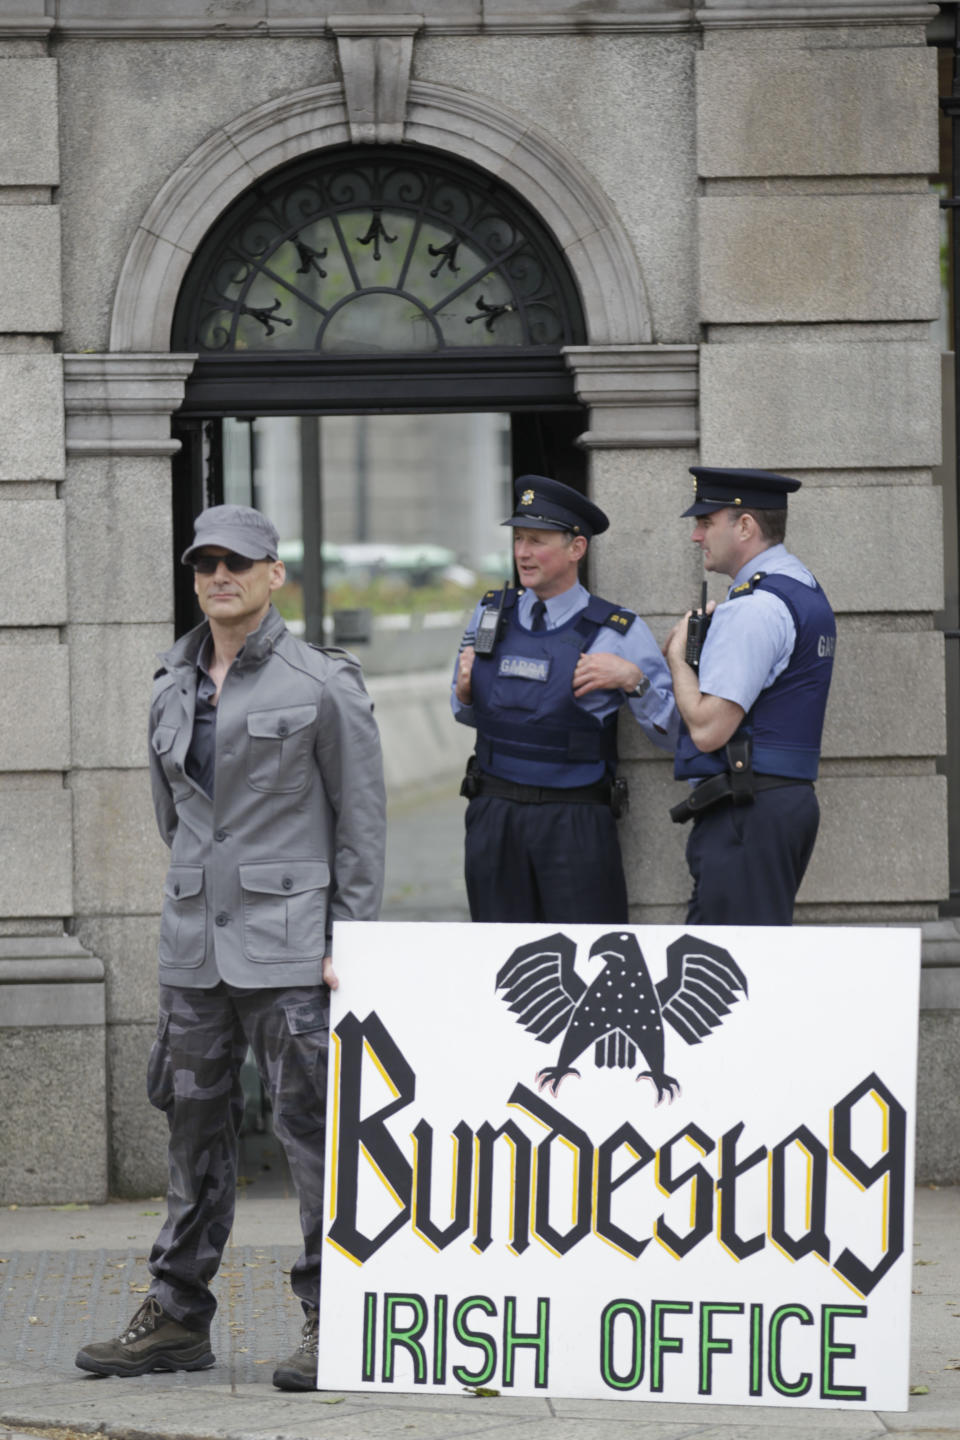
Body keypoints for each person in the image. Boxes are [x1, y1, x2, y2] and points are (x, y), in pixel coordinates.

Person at [75, 504, 385, 1391]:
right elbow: (175, 821)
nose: (220, 576)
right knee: (191, 1135)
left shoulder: (320, 681)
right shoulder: (169, 681)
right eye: (206, 562)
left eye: (238, 563)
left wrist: (349, 942)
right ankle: (176, 1318)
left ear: (273, 575)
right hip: (193, 948)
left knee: (313, 1137)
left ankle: (337, 1319)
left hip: (291, 951)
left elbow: (361, 823)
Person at [452, 473, 676, 923]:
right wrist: (463, 689)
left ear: (577, 548)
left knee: (587, 956)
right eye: (518, 539)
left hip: (573, 819)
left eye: (537, 541)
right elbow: (465, 710)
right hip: (494, 815)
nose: (522, 553)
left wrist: (634, 680)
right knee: (497, 964)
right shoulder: (492, 611)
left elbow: (675, 735)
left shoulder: (618, 630)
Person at [663, 467, 836, 924]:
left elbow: (707, 729)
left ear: (745, 526)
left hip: (749, 811)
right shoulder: (802, 589)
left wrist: (677, 659)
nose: (697, 536)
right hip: (777, 803)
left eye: (706, 522)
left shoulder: (755, 607)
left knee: (728, 963)